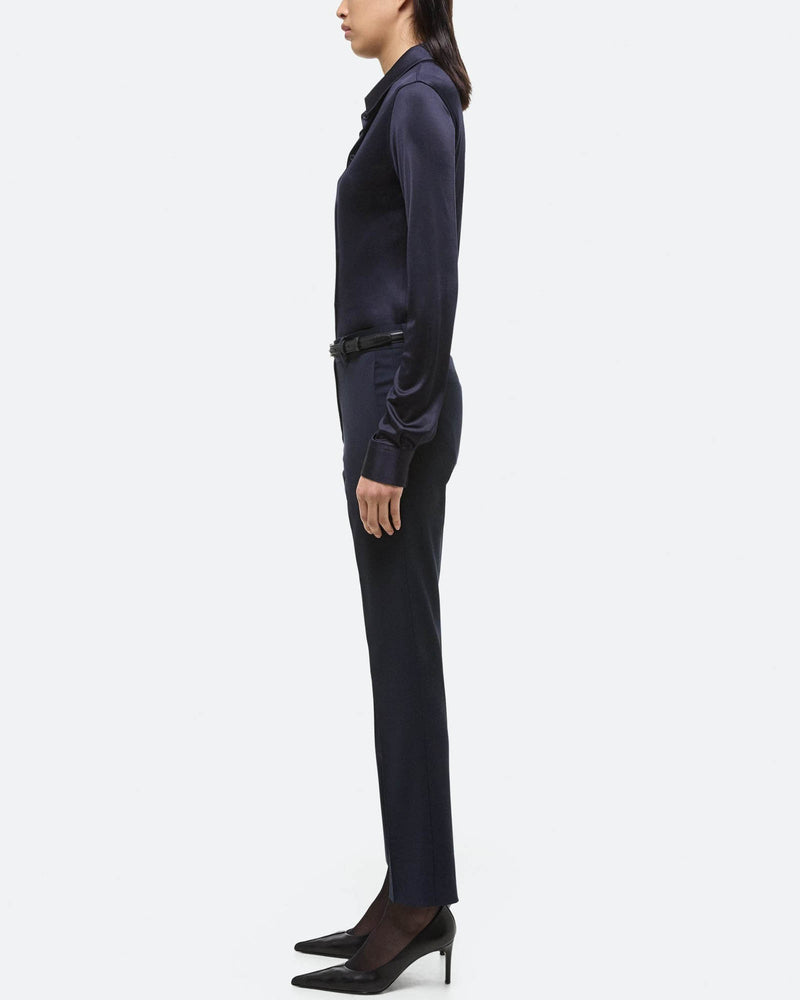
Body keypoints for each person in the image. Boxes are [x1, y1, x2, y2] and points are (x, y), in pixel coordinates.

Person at [292, 1, 471, 992]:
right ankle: (411, 885)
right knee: (395, 651)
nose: (339, 4)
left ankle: (418, 903)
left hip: (396, 391)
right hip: (377, 384)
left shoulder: (419, 101)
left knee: (402, 653)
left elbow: (434, 285)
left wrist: (394, 437)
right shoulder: (398, 102)